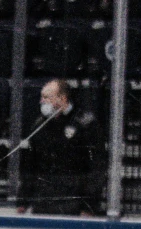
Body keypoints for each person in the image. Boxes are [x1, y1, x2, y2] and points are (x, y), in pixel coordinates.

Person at [19, 78, 99, 216]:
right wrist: (22, 201)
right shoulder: (39, 125)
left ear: (62, 98)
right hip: (43, 202)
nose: (42, 102)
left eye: (46, 97)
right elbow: (30, 165)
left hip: (73, 203)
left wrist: (89, 206)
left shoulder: (85, 123)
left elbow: (96, 168)